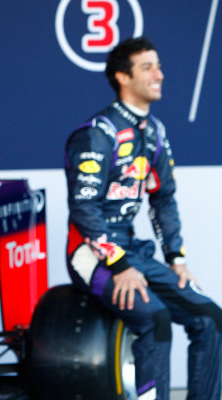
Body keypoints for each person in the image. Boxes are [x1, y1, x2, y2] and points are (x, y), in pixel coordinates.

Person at [64, 37, 222, 399]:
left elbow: (163, 200)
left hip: (134, 252)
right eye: (148, 67)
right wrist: (118, 264)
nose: (159, 74)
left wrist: (176, 259)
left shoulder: (155, 133)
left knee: (211, 319)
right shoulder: (96, 135)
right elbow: (83, 210)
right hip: (92, 255)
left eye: (159, 66)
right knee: (156, 320)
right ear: (123, 76)